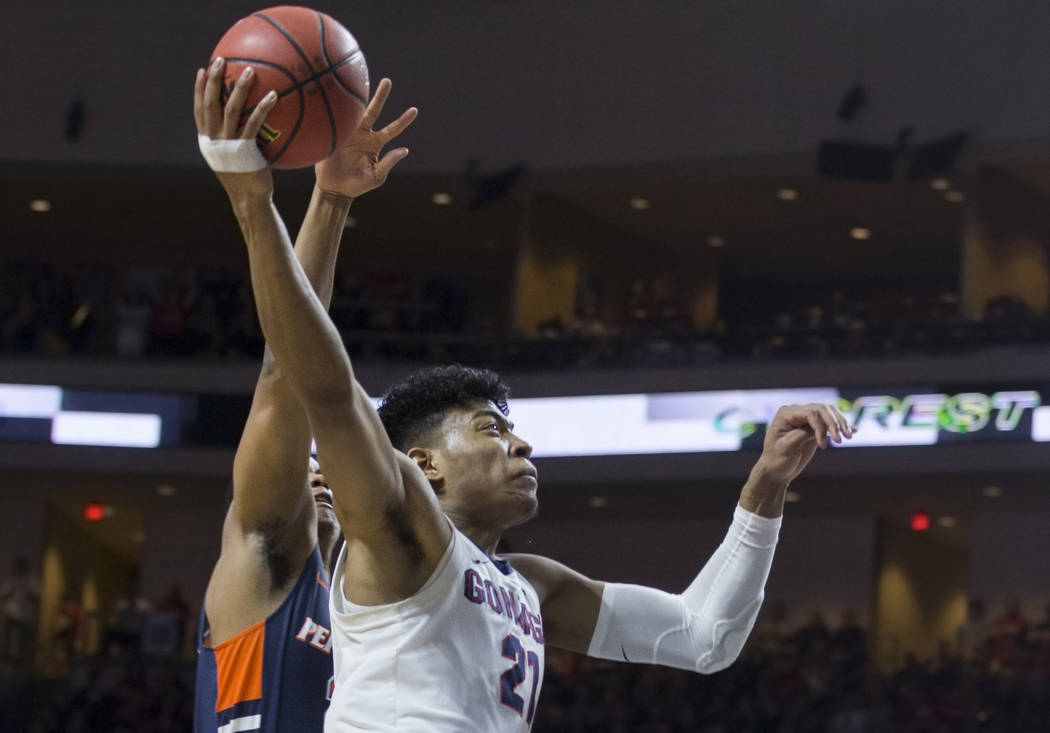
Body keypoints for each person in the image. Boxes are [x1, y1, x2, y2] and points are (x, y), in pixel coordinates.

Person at [195, 62, 854, 732]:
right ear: (417, 465)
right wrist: (269, 202)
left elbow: (702, 634)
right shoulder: (298, 548)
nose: (521, 443)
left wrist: (767, 484)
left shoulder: (521, 585)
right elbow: (302, 380)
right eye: (490, 428)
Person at [192, 60, 416, 733]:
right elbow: (286, 376)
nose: (315, 471)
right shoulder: (265, 561)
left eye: (329, 463)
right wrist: (332, 200)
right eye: (308, 463)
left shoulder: (389, 607)